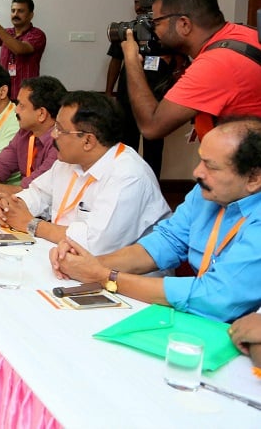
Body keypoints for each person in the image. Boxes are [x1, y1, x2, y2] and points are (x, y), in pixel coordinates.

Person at [51, 116, 261, 322]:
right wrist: (85, 264)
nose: (197, 172)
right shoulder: (205, 194)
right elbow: (165, 243)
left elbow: (215, 296)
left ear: (254, 178)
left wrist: (105, 277)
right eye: (200, 160)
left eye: (211, 166)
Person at [0, 91, 169, 255]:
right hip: (65, 256)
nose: (53, 135)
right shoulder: (67, 161)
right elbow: (38, 194)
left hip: (121, 279)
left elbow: (95, 243)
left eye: (60, 129)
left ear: (88, 141)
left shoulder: (128, 175)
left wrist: (30, 224)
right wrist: (10, 208)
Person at [121, 0, 261, 141]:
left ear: (184, 24)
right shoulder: (243, 33)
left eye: (156, 23)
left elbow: (151, 127)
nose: (153, 31)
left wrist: (132, 61)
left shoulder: (214, 65)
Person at [105, 0, 187, 178]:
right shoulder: (128, 29)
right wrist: (109, 92)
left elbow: (183, 61)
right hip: (127, 97)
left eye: (144, 2)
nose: (139, 5)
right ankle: (126, 183)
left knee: (154, 149)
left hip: (158, 99)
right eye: (136, 1)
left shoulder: (168, 30)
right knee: (126, 146)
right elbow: (115, 61)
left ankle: (152, 189)